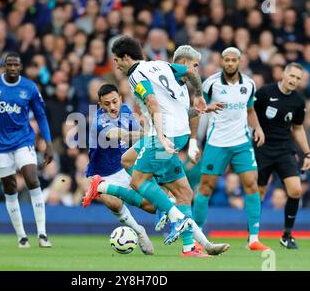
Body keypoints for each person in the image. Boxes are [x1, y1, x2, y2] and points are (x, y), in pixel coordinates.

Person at [85, 37, 229, 257]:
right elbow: (191, 75)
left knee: (138, 182)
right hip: (177, 134)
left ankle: (174, 218)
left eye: (117, 61)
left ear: (125, 57)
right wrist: (200, 100)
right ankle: (191, 246)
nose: (117, 66)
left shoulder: (135, 75)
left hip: (165, 135)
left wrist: (160, 134)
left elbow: (152, 102)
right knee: (183, 191)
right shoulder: (163, 66)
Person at [193, 47, 270, 251]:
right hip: (216, 142)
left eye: (233, 60)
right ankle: (197, 239)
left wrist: (258, 128)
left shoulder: (249, 84)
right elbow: (196, 106)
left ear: (239, 62)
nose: (229, 63)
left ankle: (253, 239)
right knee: (205, 187)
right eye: (226, 60)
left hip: (241, 142)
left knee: (252, 185)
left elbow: (250, 110)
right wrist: (194, 138)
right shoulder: (211, 83)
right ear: (221, 61)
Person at [0, 52, 54, 248]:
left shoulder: (29, 87)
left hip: (23, 140)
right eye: (9, 65)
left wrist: (48, 143)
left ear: (21, 67)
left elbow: (41, 115)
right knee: (10, 188)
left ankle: (42, 234)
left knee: (32, 179)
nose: (12, 68)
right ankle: (21, 236)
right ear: (4, 66)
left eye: (15, 65)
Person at [85, 83, 155, 255]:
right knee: (114, 202)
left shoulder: (125, 111)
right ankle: (139, 231)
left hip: (124, 167)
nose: (112, 107)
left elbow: (137, 139)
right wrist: (154, 133)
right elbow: (121, 135)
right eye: (107, 104)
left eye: (115, 101)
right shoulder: (98, 121)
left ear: (120, 99)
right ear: (100, 105)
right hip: (101, 174)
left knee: (151, 207)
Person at [254, 63, 310, 249]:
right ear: (284, 75)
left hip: (284, 149)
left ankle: (287, 235)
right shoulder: (265, 92)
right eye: (292, 76)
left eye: (298, 78)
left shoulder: (298, 101)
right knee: (259, 193)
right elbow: (249, 113)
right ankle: (253, 236)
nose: (294, 80)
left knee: (296, 190)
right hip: (262, 147)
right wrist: (255, 129)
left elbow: (298, 128)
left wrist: (307, 153)